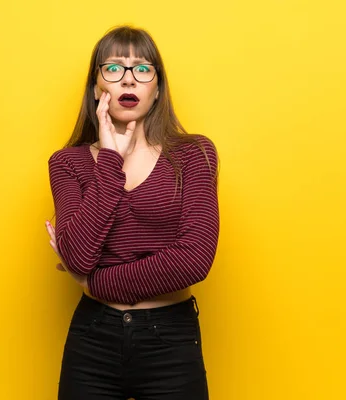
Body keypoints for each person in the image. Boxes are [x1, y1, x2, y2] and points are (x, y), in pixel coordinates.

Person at [45, 25, 220, 400]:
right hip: (93, 339)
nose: (128, 79)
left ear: (157, 88)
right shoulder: (68, 163)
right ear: (96, 88)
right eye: (113, 68)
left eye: (142, 69)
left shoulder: (194, 155)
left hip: (170, 340)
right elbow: (77, 255)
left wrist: (96, 283)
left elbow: (194, 260)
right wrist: (110, 159)